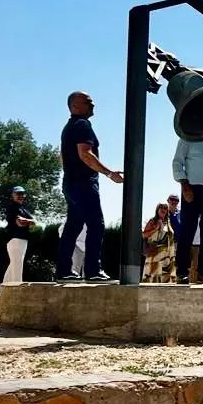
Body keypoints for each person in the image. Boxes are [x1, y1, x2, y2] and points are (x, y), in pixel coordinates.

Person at [57, 91, 122, 282]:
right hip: (83, 184)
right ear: (74, 106)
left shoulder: (69, 127)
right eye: (88, 102)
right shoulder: (82, 125)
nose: (92, 105)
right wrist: (109, 173)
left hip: (71, 183)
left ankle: (63, 271)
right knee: (96, 224)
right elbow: (85, 154)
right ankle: (93, 271)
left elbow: (64, 157)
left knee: (73, 226)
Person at [171, 135, 203, 286]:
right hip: (192, 188)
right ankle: (182, 272)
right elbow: (177, 162)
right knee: (187, 229)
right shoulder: (188, 135)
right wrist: (184, 185)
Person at [2, 186, 36, 285]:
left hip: (21, 240)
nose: (20, 196)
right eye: (17, 194)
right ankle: (17, 289)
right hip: (16, 240)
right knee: (17, 267)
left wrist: (28, 221)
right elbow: (20, 223)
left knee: (14, 265)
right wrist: (31, 221)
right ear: (12, 195)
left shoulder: (23, 209)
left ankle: (3, 289)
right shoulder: (13, 207)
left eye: (22, 194)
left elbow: (32, 221)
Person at [140, 202, 177, 283]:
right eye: (161, 207)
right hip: (155, 254)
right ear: (157, 210)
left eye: (165, 208)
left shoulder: (168, 222)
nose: (163, 209)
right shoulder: (152, 221)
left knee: (166, 279)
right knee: (153, 277)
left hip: (167, 256)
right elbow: (144, 235)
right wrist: (156, 228)